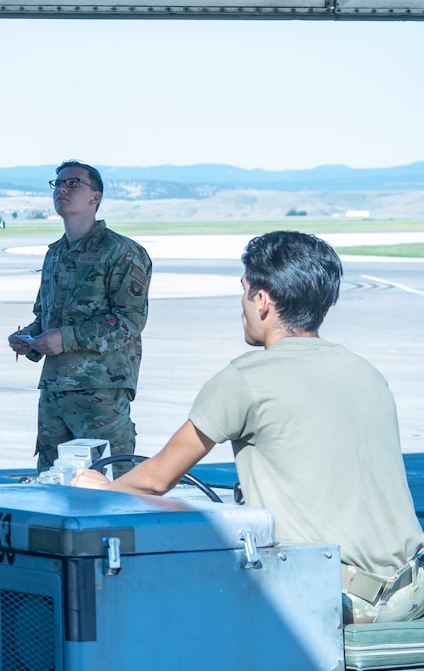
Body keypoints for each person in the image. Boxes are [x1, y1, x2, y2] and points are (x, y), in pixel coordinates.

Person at [75, 231, 423, 625]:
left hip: (341, 596)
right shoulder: (365, 372)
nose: (241, 304)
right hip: (408, 593)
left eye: (244, 291)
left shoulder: (247, 377)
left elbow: (155, 480)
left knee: (160, 603)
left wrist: (101, 490)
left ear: (261, 300)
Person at [9, 161, 153, 470]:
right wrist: (30, 339)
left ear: (95, 197)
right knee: (51, 485)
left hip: (99, 392)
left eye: (73, 183)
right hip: (54, 392)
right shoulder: (55, 254)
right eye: (57, 184)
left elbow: (129, 320)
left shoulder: (122, 252)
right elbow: (44, 317)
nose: (61, 189)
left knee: (110, 485)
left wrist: (66, 338)